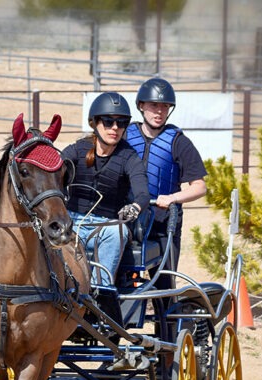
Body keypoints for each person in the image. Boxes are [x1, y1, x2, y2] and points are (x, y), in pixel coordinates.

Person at [62, 91, 150, 286]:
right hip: (72, 222)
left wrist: (134, 208)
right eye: (108, 122)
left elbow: (143, 193)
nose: (115, 128)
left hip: (106, 226)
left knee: (118, 231)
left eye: (122, 123)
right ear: (95, 122)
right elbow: (56, 167)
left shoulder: (129, 156)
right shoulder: (78, 148)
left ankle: (99, 291)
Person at [125, 77, 207, 278]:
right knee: (121, 281)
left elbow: (199, 186)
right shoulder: (125, 136)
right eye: (154, 105)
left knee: (163, 283)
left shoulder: (179, 142)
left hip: (164, 224)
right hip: (127, 221)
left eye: (164, 106)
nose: (159, 111)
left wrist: (172, 198)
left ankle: (165, 308)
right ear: (141, 106)